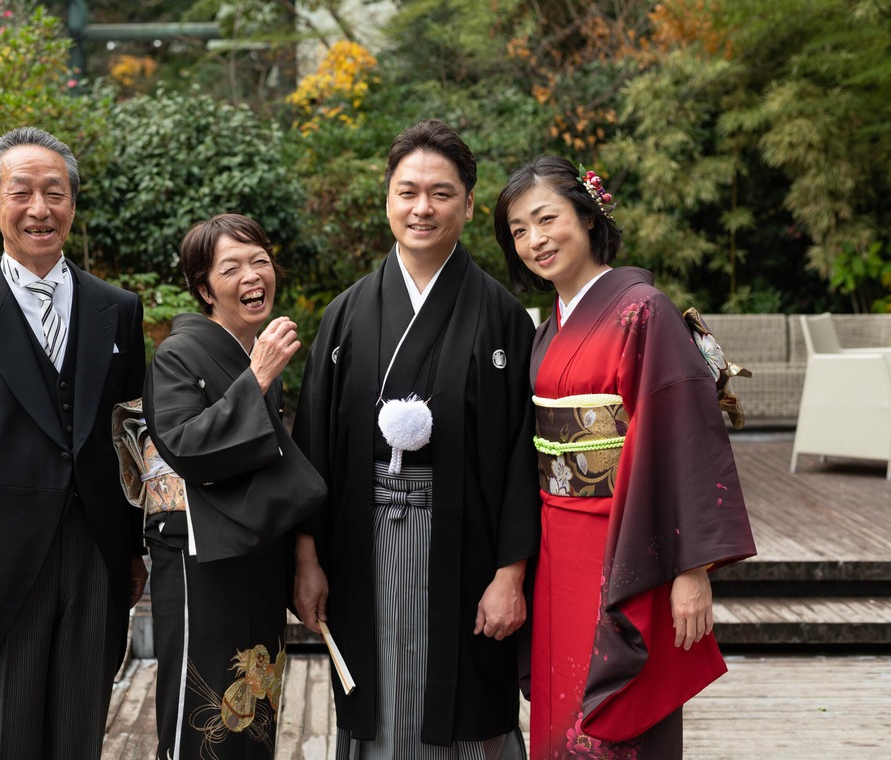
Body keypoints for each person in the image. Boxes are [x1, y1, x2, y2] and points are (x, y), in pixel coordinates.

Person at [493, 155, 757, 758]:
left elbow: (680, 433)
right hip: (555, 539)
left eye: (546, 219)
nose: (535, 240)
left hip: (628, 542)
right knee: (563, 698)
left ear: (587, 217)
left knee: (618, 713)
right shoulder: (548, 326)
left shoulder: (644, 309)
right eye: (518, 231)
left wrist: (691, 570)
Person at [292, 119, 540, 758]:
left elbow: (522, 455)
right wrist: (307, 558)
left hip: (468, 546)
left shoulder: (501, 314)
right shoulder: (346, 313)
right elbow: (313, 445)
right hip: (359, 539)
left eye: (441, 192)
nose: (421, 208)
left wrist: (512, 572)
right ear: (387, 198)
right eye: (407, 191)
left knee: (463, 698)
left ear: (469, 204)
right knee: (380, 696)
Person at [0, 126, 148, 758]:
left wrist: (133, 550)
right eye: (22, 193)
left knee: (79, 727)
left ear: (72, 204)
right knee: (2, 735)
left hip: (96, 551)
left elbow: (128, 438)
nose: (40, 209)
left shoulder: (117, 309)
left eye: (56, 193)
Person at [142, 213, 327, 760]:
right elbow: (185, 445)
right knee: (202, 714)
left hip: (255, 551)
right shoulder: (179, 353)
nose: (252, 275)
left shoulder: (252, 353)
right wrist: (261, 376)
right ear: (204, 288)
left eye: (260, 261)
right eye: (232, 267)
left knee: (256, 704)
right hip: (199, 557)